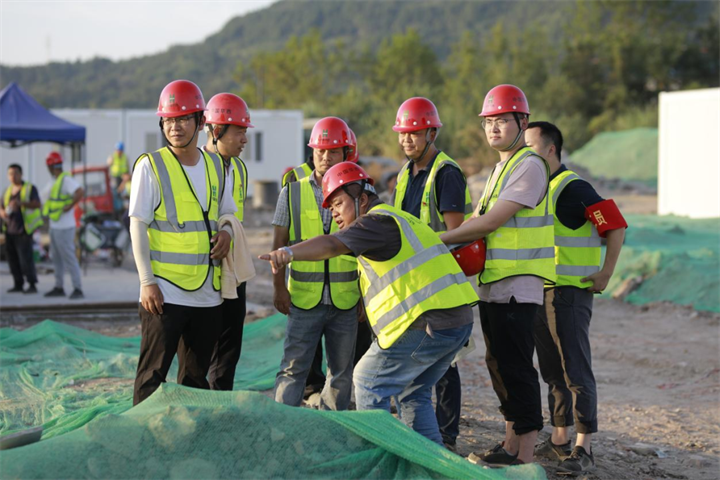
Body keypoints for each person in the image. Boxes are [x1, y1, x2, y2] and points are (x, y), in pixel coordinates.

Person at [260, 162, 478, 444]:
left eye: (338, 203)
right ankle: (428, 465)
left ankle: (377, 457)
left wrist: (288, 252)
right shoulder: (396, 219)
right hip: (455, 321)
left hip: (428, 323)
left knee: (366, 380)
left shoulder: (374, 222)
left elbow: (330, 245)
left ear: (361, 198)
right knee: (413, 393)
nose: (334, 212)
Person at [440, 84, 556, 466]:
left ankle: (524, 456)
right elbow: (478, 217)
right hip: (494, 284)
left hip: (518, 285)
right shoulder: (500, 168)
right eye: (488, 122)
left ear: (522, 121)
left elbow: (491, 221)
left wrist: (441, 239)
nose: (493, 128)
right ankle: (509, 444)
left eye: (501, 120)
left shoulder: (529, 164)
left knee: (517, 367)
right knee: (499, 364)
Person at [526, 121, 627, 473]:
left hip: (570, 293)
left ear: (551, 149)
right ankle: (559, 438)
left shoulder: (574, 188)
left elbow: (615, 224)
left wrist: (606, 273)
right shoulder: (539, 188)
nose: (526, 154)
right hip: (541, 291)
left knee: (575, 370)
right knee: (552, 370)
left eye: (531, 147)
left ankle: (583, 448)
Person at [129, 79, 235, 405]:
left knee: (195, 379)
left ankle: (189, 440)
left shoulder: (217, 165)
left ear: (201, 122)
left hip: (207, 295)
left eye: (182, 119)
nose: (174, 127)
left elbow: (228, 212)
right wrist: (147, 282)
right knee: (152, 377)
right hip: (164, 294)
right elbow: (137, 225)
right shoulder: (151, 165)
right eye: (168, 120)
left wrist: (228, 233)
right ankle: (144, 442)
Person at [391, 96, 473, 450]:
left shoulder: (446, 173)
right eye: (403, 133)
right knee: (418, 360)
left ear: (431, 131)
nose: (408, 139)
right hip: (413, 284)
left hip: (440, 284)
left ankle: (447, 437)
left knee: (445, 362)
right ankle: (423, 431)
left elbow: (457, 234)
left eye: (415, 132)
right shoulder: (404, 174)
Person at [271, 117, 360, 411]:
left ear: (345, 154)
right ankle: (282, 430)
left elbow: (367, 251)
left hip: (345, 301)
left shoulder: (358, 195)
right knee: (293, 369)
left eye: (332, 151)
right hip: (303, 300)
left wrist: (365, 298)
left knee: (341, 375)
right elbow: (278, 246)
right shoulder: (292, 192)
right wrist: (278, 288)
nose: (324, 157)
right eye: (320, 151)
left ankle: (330, 432)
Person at [201, 92, 253, 391]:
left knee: (231, 343)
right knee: (202, 345)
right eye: (238, 132)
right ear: (216, 130)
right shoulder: (198, 166)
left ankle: (221, 400)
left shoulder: (239, 168)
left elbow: (234, 218)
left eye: (245, 132)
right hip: (204, 269)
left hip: (232, 269)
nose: (244, 139)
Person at [42, 151, 84, 299]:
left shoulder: (65, 180)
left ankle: (78, 288)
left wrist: (70, 206)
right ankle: (59, 287)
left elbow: (79, 191)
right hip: (55, 226)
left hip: (65, 227)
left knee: (69, 258)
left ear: (50, 166)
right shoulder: (55, 180)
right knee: (57, 258)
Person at [1, 164, 42, 294]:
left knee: (26, 259)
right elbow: (1, 206)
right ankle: (18, 283)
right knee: (12, 259)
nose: (13, 176)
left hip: (24, 230)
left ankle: (32, 284)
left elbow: (37, 204)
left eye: (15, 173)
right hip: (9, 229)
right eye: (10, 174)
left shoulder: (29, 188)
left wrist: (21, 203)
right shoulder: (7, 191)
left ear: (21, 174)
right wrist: (3, 213)